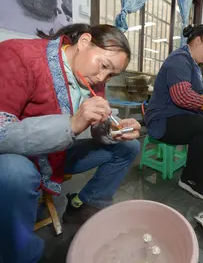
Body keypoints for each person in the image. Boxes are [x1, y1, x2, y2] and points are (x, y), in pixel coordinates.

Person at [0, 24, 141, 263]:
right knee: (13, 173)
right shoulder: (18, 55)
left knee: (128, 147)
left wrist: (113, 130)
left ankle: (82, 206)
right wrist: (73, 124)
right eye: (104, 66)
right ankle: (19, 255)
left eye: (111, 75)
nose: (102, 78)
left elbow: (97, 127)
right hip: (22, 157)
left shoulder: (94, 79)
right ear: (84, 42)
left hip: (57, 154)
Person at [144, 24, 203, 200]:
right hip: (162, 120)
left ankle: (202, 165)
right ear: (198, 40)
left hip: (177, 115)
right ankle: (190, 179)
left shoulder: (194, 64)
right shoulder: (179, 59)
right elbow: (182, 96)